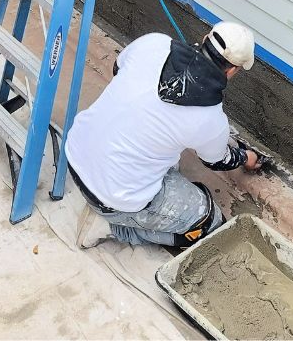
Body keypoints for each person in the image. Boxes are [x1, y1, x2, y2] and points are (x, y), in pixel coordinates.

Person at [65, 22, 266, 249]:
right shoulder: (209, 117)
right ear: (231, 71)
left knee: (167, 158)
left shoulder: (154, 42)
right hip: (112, 198)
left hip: (75, 153)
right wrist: (246, 158)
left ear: (204, 37)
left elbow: (117, 69)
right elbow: (217, 160)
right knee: (207, 222)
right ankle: (114, 228)